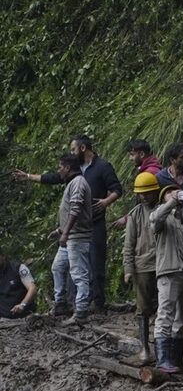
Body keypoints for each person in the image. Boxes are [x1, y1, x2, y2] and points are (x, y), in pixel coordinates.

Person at [15, 135, 123, 311]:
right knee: (71, 266)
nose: (71, 152)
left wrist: (105, 202)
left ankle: (97, 302)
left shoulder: (102, 166)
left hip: (94, 222)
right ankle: (75, 303)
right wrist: (28, 176)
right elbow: (54, 177)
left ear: (82, 148)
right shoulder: (74, 171)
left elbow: (117, 189)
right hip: (74, 227)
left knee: (95, 262)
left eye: (73, 149)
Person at [150, 185, 183, 373]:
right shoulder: (160, 216)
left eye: (177, 191)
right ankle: (162, 360)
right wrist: (171, 202)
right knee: (165, 313)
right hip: (169, 272)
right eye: (170, 192)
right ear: (165, 198)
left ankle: (176, 360)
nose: (176, 194)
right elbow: (155, 219)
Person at [48, 153, 93, 324]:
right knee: (57, 267)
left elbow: (76, 208)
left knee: (79, 274)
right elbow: (73, 212)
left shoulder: (78, 183)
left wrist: (65, 232)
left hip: (77, 237)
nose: (58, 170)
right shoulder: (73, 183)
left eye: (60, 167)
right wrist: (60, 230)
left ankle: (81, 312)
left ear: (67, 168)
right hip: (70, 236)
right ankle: (61, 304)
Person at [122, 172, 160, 362]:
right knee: (143, 308)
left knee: (164, 307)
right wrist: (128, 269)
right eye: (141, 193)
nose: (144, 196)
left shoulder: (163, 210)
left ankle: (162, 348)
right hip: (142, 266)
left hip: (163, 265)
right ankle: (144, 347)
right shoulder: (135, 214)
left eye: (147, 193)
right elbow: (128, 244)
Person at [0, 250, 37, 318]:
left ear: (3, 256)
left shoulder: (18, 268)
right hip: (3, 319)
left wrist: (22, 304)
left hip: (24, 316)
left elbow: (32, 288)